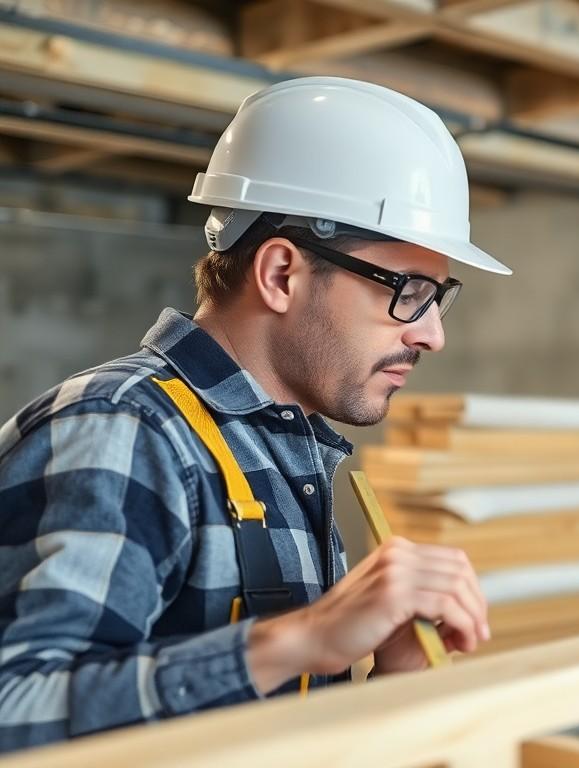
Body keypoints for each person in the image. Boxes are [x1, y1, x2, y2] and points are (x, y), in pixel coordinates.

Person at [0, 76, 512, 751]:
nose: (432, 334)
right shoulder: (120, 429)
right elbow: (14, 709)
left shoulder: (285, 454)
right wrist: (302, 638)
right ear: (280, 275)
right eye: (409, 291)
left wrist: (388, 680)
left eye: (438, 297)